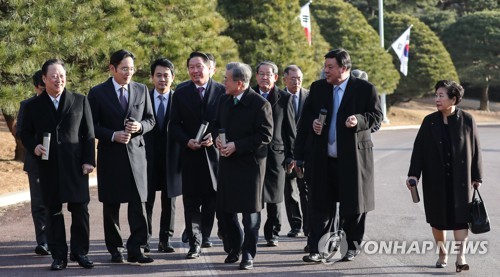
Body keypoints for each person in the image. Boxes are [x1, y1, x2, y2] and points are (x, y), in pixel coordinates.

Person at [295, 48, 383, 263]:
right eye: (325, 67)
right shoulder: (317, 89)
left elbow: (377, 117)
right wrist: (312, 126)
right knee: (319, 206)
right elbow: (304, 122)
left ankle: (351, 246)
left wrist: (359, 121)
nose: (326, 71)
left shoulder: (364, 89)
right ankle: (317, 248)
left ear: (344, 68)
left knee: (353, 206)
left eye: (330, 67)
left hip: (353, 160)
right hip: (322, 159)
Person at [20, 59, 96, 270]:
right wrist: (34, 146)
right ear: (44, 79)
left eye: (61, 75)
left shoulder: (79, 100)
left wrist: (89, 160)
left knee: (80, 209)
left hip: (76, 166)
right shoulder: (33, 105)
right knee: (53, 211)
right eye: (53, 76)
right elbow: (23, 132)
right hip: (48, 166)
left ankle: (80, 252)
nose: (58, 80)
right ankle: (59, 256)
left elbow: (88, 134)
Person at [407, 80, 482, 273]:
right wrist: (413, 175)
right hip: (435, 179)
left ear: (453, 99)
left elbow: (475, 149)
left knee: (461, 218)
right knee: (437, 220)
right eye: (436, 95)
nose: (436, 99)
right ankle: (442, 254)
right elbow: (419, 150)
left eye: (441, 95)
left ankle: (461, 257)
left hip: (461, 179)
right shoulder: (429, 121)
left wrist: (477, 176)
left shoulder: (467, 119)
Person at [88, 49, 155, 264]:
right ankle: (115, 249)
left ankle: (137, 248)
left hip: (137, 156)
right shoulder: (97, 93)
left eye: (132, 69)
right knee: (112, 205)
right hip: (111, 156)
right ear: (112, 68)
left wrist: (139, 127)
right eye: (124, 69)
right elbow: (90, 127)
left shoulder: (142, 89)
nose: (128, 73)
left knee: (139, 204)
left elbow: (151, 120)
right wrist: (112, 135)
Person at [214, 62, 273, 270]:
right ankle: (235, 247)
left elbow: (265, 135)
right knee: (225, 211)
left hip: (251, 166)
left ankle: (248, 254)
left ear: (239, 83)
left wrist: (236, 146)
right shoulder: (223, 100)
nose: (223, 82)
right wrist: (217, 141)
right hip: (228, 163)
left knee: (250, 216)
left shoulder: (260, 104)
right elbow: (215, 125)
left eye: (226, 79)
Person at [170, 51, 224, 258]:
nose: (195, 71)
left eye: (199, 66)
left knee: (211, 201)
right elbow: (174, 125)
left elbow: (226, 122)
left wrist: (215, 136)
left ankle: (205, 235)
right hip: (190, 156)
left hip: (214, 158)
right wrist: (186, 140)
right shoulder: (181, 92)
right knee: (191, 202)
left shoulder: (221, 91)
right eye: (191, 67)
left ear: (210, 68)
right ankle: (195, 243)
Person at [252, 61, 295, 247]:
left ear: (275, 77)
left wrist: (291, 155)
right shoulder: (249, 95)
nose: (264, 77)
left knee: (275, 197)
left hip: (277, 155)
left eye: (268, 74)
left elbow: (290, 130)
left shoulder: (284, 98)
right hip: (253, 154)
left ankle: (273, 233)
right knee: (253, 196)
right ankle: (252, 232)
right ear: (256, 76)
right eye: (261, 74)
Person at [144, 58, 181, 254]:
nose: (162, 79)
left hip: (171, 160)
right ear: (152, 78)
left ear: (173, 78)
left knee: (170, 202)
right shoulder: (143, 98)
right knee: (146, 201)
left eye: (166, 75)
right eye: (158, 75)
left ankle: (165, 240)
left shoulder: (179, 100)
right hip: (147, 159)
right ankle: (145, 239)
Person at [16, 70, 50, 256]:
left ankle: (55, 239)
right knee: (38, 202)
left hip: (57, 162)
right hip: (36, 162)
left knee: (55, 201)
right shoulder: (27, 105)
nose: (46, 92)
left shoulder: (59, 104)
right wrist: (35, 144)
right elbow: (21, 131)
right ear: (36, 87)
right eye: (42, 89)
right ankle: (43, 241)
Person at [282, 65, 309, 239]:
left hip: (306, 153)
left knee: (306, 190)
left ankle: (309, 224)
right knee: (290, 191)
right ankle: (295, 225)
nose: (297, 82)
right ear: (284, 79)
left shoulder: (309, 96)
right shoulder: (279, 98)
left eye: (299, 78)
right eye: (293, 78)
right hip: (286, 153)